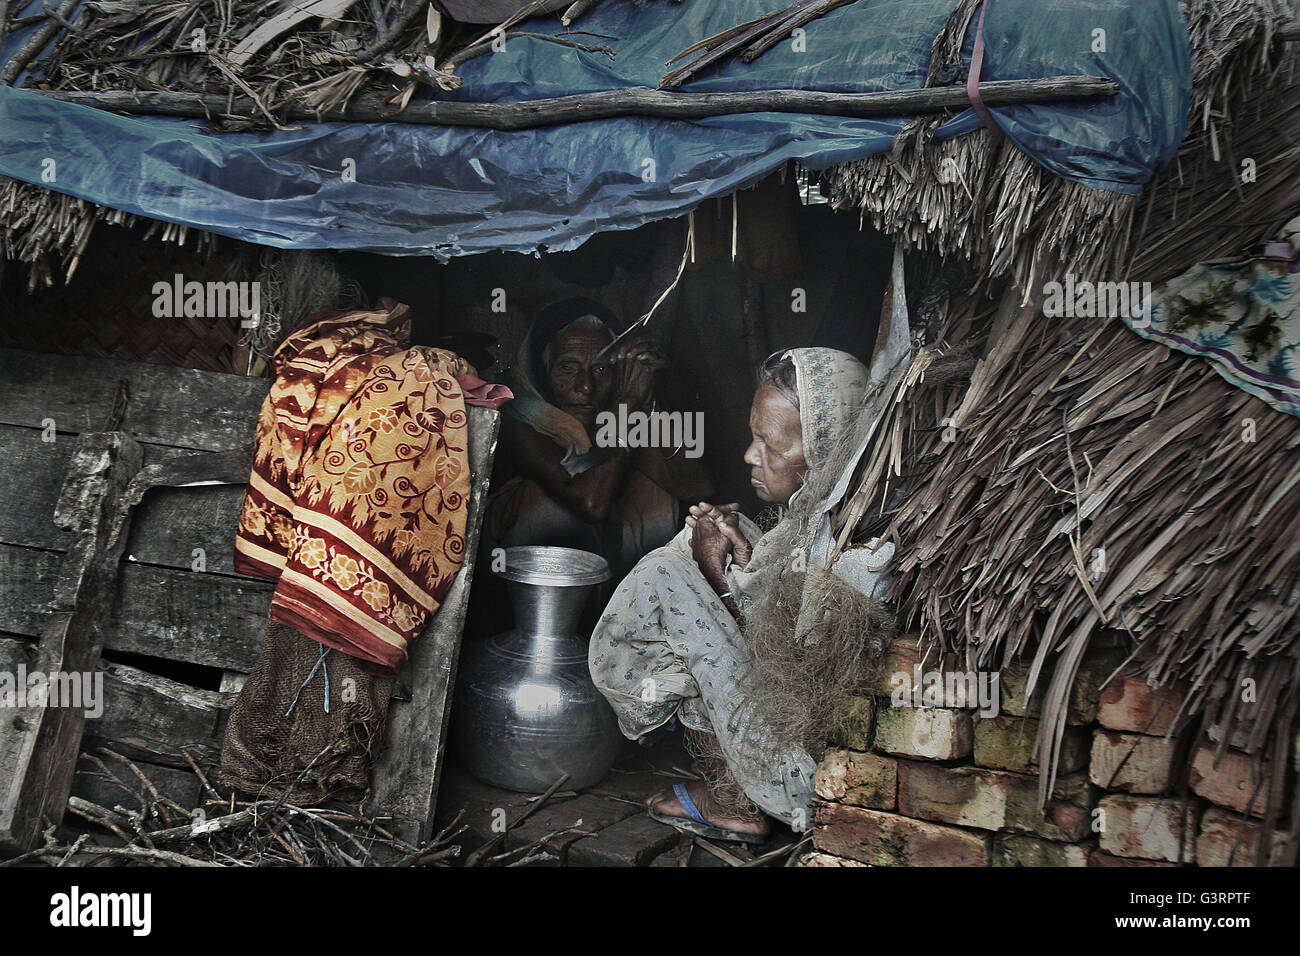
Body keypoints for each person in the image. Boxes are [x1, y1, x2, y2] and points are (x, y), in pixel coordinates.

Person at [588, 347, 871, 843]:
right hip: (794, 752)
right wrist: (736, 557)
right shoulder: (830, 515)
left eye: (771, 446)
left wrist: (713, 575)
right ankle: (733, 790)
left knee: (666, 575)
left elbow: (780, 673)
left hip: (810, 781)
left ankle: (736, 799)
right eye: (753, 436)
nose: (749, 456)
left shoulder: (851, 556)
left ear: (824, 452)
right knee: (717, 535)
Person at [483, 298, 712, 586]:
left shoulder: (616, 414)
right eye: (567, 368)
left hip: (605, 573)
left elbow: (697, 487)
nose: (586, 387)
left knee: (651, 486)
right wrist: (626, 404)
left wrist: (648, 397)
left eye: (602, 370)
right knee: (551, 505)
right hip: (517, 581)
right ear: (541, 368)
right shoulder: (516, 415)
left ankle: (636, 603)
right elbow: (590, 502)